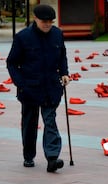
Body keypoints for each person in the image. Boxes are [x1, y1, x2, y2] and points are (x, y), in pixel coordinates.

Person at [6, 4, 70, 173]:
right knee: (30, 123)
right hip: (29, 88)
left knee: (50, 121)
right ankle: (28, 155)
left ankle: (52, 158)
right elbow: (11, 62)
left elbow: (62, 56)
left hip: (51, 87)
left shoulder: (57, 34)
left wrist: (64, 73)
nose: (48, 24)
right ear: (35, 19)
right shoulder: (22, 37)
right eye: (44, 21)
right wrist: (20, 83)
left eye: (50, 21)